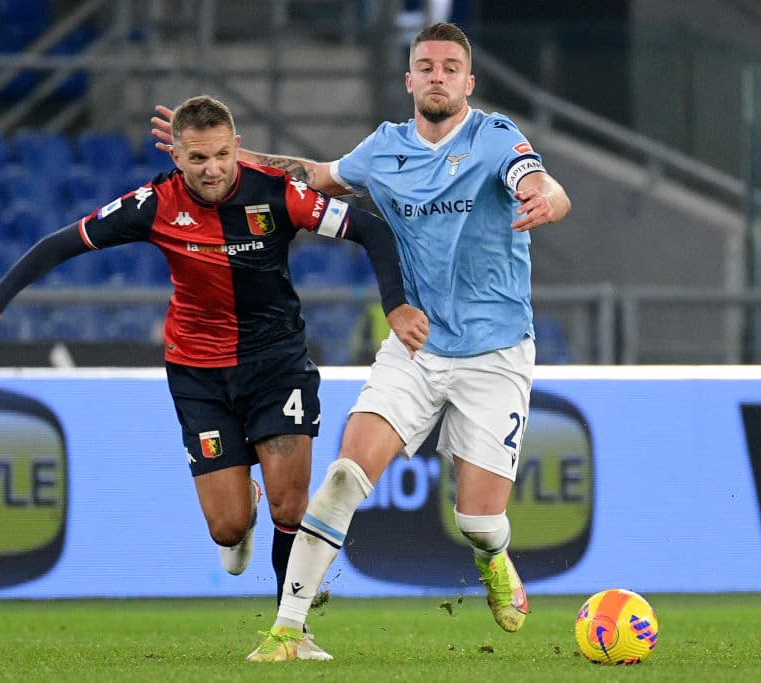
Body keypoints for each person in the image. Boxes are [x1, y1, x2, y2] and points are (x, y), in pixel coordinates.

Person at [0, 95, 429, 661]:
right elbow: (62, 243)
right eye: (198, 159)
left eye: (221, 155)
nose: (212, 169)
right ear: (178, 155)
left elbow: (370, 229)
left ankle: (293, 630)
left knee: (290, 509)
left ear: (236, 147)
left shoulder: (277, 193)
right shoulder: (154, 203)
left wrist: (394, 305)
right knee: (227, 527)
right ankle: (244, 503)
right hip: (199, 375)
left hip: (278, 365)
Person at [152, 22, 571, 662]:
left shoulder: (495, 137)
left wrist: (546, 199)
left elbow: (540, 184)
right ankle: (288, 630)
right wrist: (220, 155)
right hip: (416, 348)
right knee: (346, 475)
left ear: (468, 82)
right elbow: (311, 177)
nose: (437, 76)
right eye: (425, 66)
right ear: (409, 80)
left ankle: (492, 556)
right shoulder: (383, 149)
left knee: (478, 522)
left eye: (450, 67)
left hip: (495, 353)